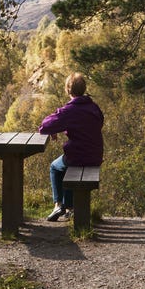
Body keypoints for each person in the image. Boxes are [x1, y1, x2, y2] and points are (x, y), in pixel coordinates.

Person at [38, 72, 104, 222]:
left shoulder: (69, 111)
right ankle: (69, 208)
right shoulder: (94, 108)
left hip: (78, 157)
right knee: (68, 168)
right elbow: (99, 124)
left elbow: (45, 125)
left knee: (55, 167)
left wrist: (55, 129)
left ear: (68, 90)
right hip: (95, 156)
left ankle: (58, 205)